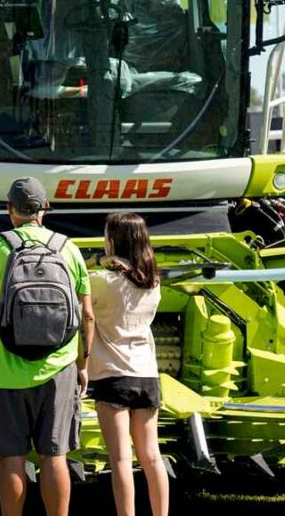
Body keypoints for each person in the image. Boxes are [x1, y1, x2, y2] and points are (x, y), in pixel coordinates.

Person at [0, 177, 94, 516]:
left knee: (12, 458)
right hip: (59, 370)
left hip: (6, 372)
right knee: (55, 457)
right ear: (46, 209)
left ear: (10, 210)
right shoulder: (68, 248)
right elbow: (88, 316)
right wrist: (83, 364)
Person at [90, 212, 167, 516]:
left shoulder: (102, 281)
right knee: (152, 456)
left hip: (113, 375)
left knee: (121, 459)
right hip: (147, 373)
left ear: (113, 240)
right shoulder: (153, 283)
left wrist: (101, 263)